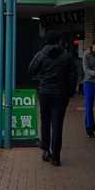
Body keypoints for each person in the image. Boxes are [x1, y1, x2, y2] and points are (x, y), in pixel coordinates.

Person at [28, 31, 73, 167]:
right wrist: (69, 93)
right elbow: (73, 76)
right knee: (57, 124)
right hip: (60, 94)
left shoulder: (41, 54)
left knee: (45, 121)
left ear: (46, 41)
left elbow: (31, 70)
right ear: (59, 41)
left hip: (45, 92)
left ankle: (46, 150)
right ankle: (56, 157)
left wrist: (41, 79)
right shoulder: (66, 56)